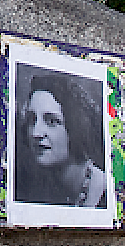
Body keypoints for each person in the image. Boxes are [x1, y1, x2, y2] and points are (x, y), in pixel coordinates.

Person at [13, 73, 107, 207]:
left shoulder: (108, 194)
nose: (36, 133)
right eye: (32, 120)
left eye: (51, 121)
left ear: (77, 127)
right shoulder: (36, 188)